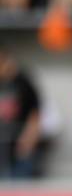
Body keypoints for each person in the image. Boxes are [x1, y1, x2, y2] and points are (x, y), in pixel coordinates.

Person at [0, 48, 42, 178]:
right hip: (3, 142)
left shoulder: (23, 83)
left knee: (19, 181)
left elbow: (35, 113)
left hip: (19, 142)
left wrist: (29, 138)